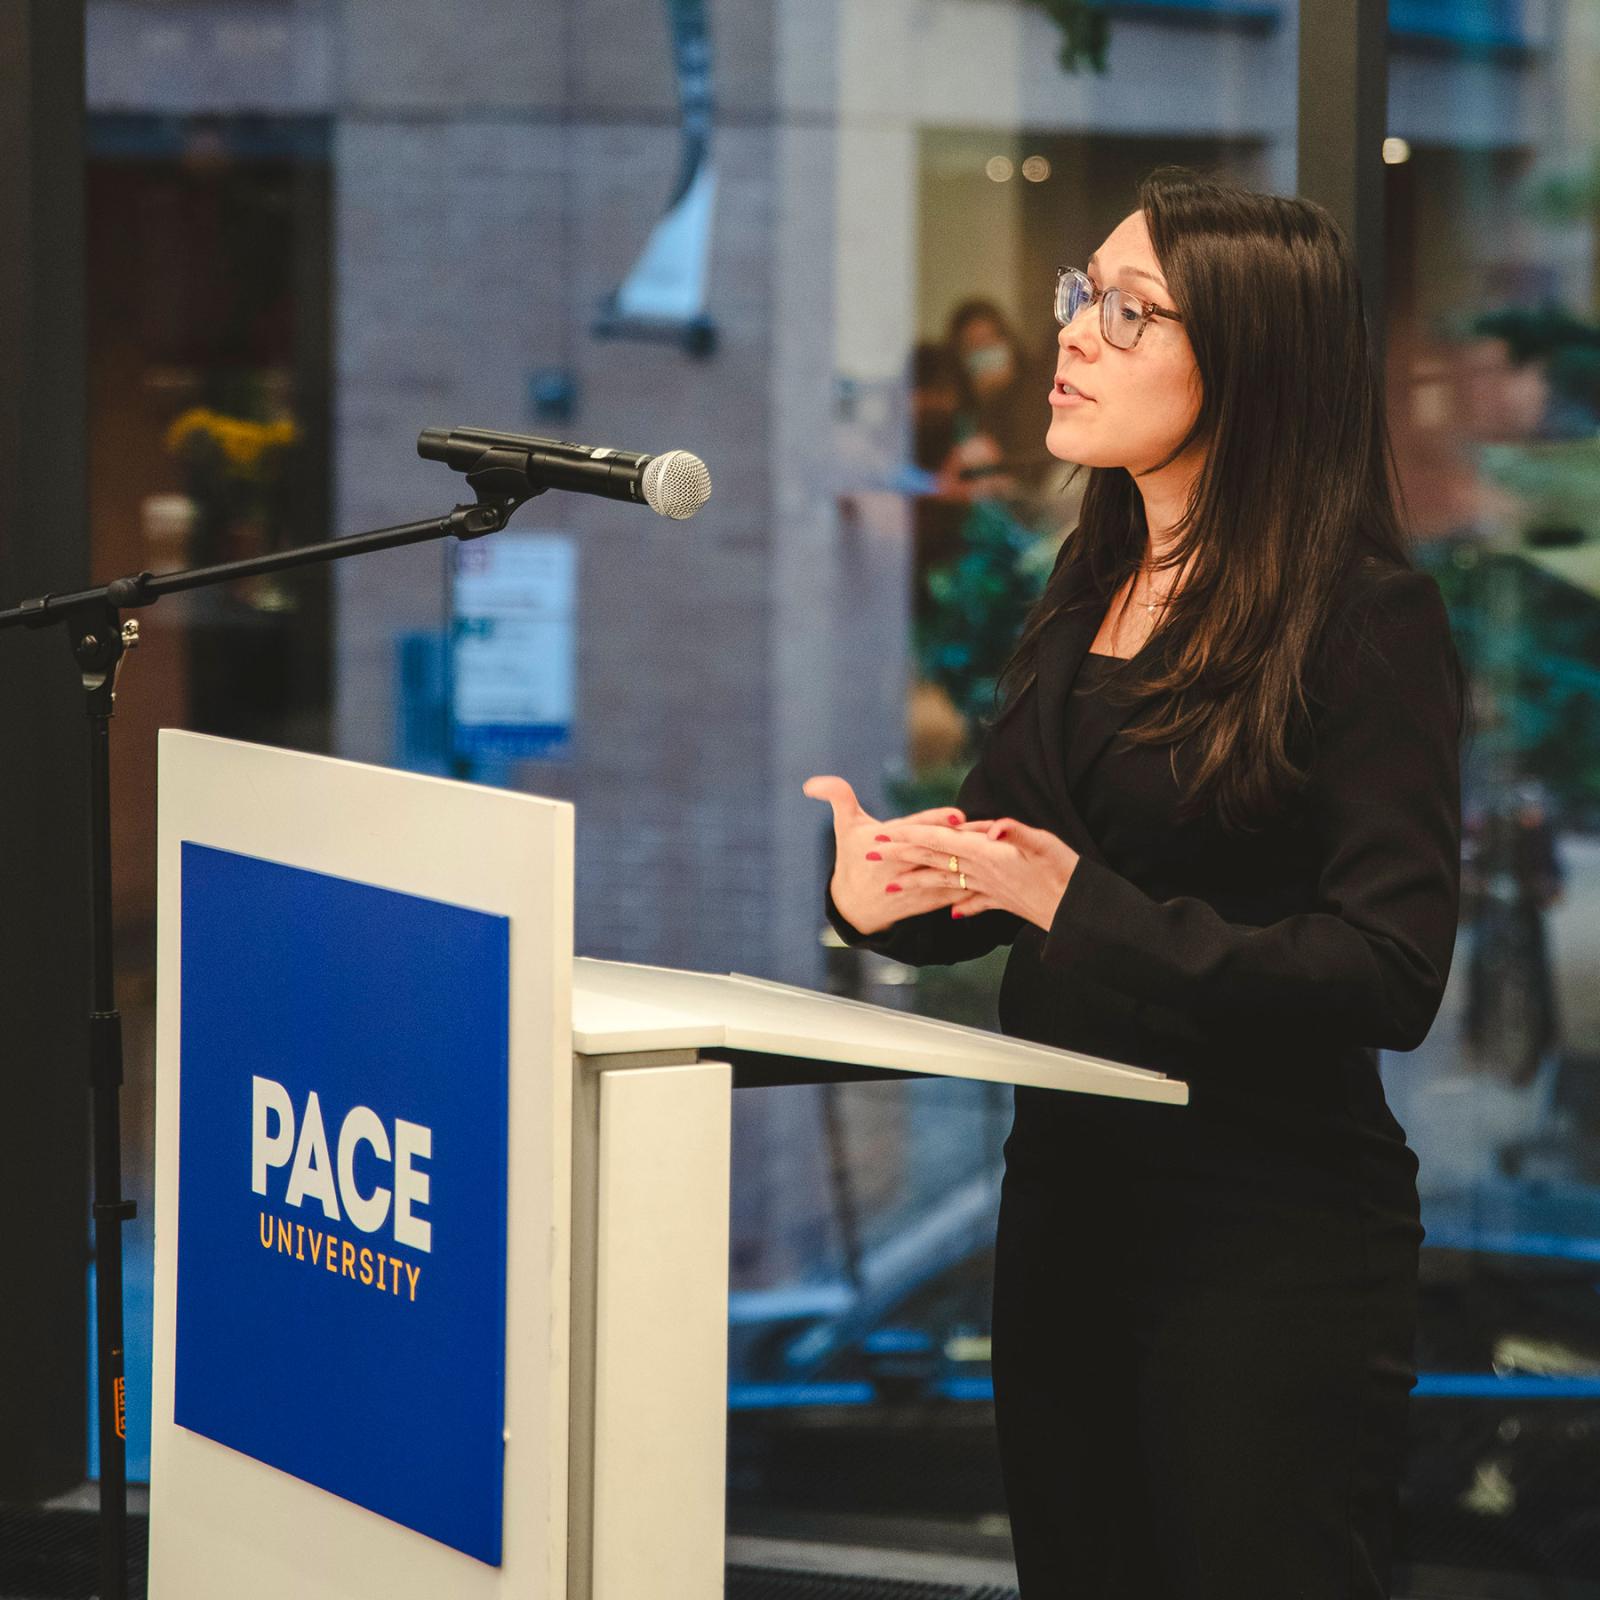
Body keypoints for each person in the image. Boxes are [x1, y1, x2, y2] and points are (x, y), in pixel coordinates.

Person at [804, 165, 1468, 1599]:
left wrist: (1071, 907)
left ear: (1249, 366)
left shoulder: (1367, 624)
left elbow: (1391, 971)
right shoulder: (1087, 583)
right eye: (1076, 295)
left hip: (1266, 1247)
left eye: (1127, 311)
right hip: (1066, 1213)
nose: (1072, 335)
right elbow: (1005, 866)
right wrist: (875, 897)